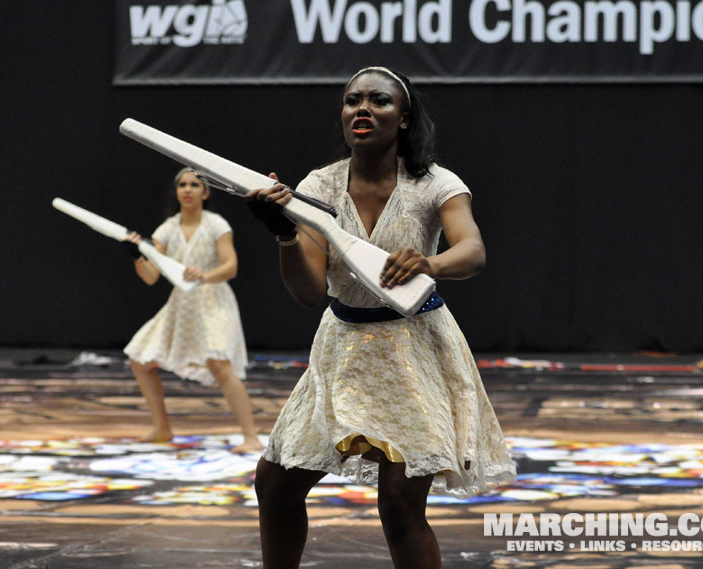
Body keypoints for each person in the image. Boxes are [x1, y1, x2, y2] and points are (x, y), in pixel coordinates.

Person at [246, 67, 515, 568]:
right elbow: (308, 292)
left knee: (398, 504)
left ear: (405, 118)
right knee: (275, 484)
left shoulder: (436, 184)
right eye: (352, 101)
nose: (362, 109)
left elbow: (473, 251)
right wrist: (283, 233)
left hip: (414, 349)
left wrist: (431, 263)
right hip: (342, 349)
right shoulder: (318, 186)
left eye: (379, 101)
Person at [123, 167, 263, 454]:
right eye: (182, 185)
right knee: (139, 359)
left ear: (205, 192)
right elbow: (151, 275)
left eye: (194, 185)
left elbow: (231, 266)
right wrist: (138, 256)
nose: (187, 189)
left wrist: (204, 276)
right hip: (182, 304)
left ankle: (251, 436)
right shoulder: (168, 229)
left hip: (213, 300)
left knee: (220, 364)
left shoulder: (216, 225)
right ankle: (161, 428)